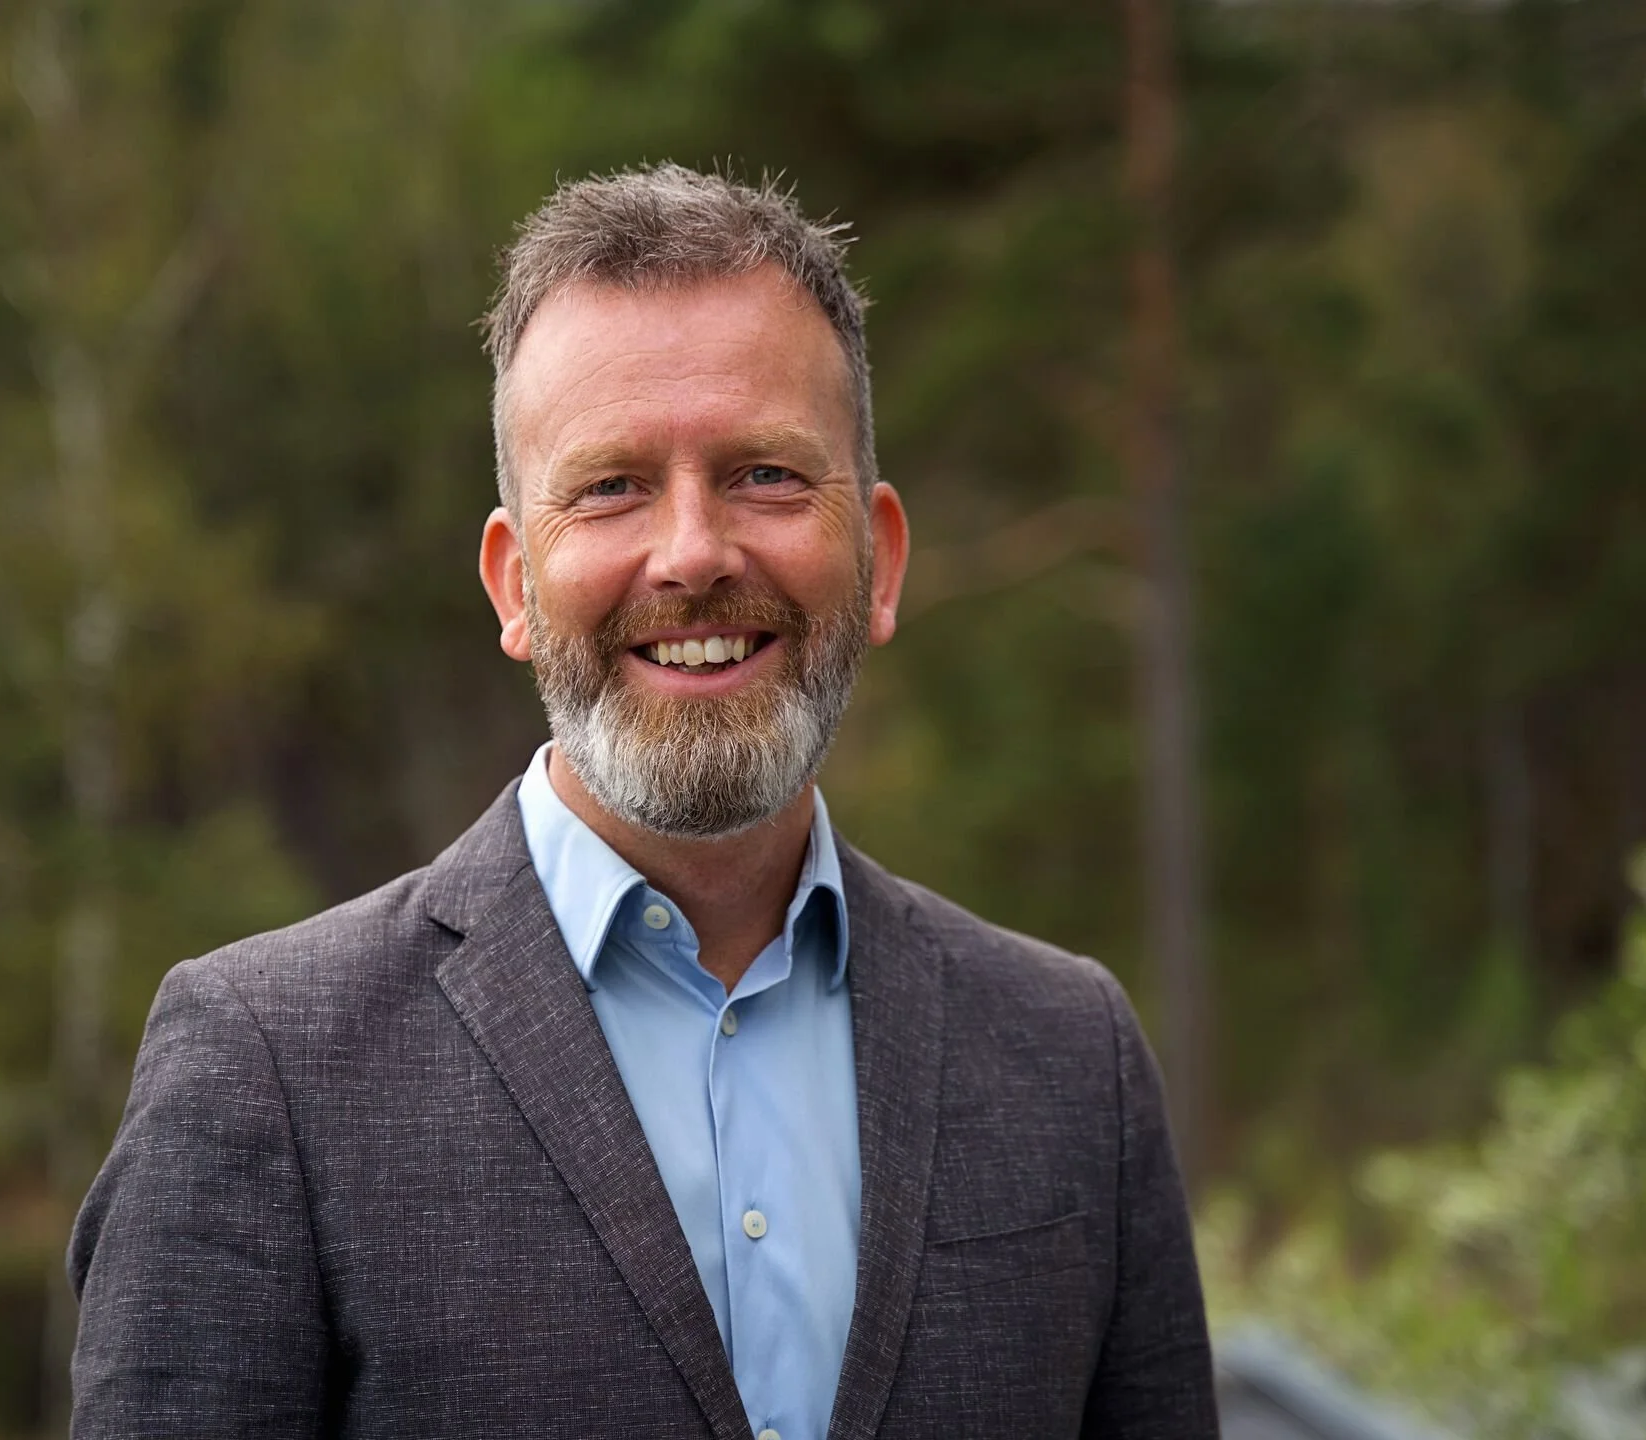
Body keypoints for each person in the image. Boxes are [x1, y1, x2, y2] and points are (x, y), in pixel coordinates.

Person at [68, 163, 1218, 1440]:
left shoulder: (1071, 1059)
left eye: (768, 476)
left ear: (880, 560)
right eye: (612, 485)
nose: (692, 552)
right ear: (512, 585)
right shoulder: (266, 1067)